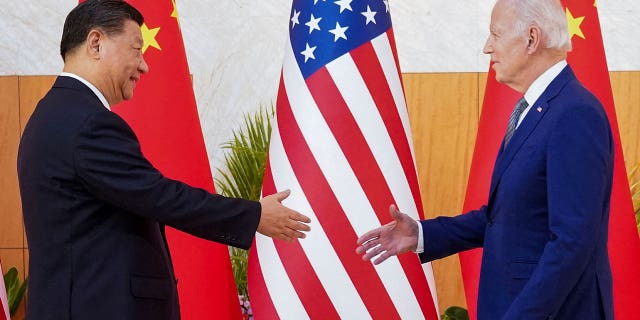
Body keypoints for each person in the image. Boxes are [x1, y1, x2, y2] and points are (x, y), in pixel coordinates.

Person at [17, 1, 311, 319]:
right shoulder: (87, 122)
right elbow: (159, 196)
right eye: (136, 49)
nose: (144, 66)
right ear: (96, 43)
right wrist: (253, 216)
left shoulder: (52, 114)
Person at [356, 0, 614, 319]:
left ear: (531, 39)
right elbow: (505, 216)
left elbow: (571, 242)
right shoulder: (536, 111)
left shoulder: (574, 113)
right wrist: (421, 234)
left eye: (495, 34)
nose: (486, 47)